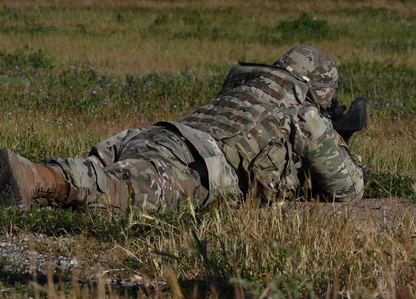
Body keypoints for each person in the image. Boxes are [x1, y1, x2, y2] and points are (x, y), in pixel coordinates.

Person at [0, 45, 365, 214]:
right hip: (196, 163)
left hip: (155, 136)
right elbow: (345, 190)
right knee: (113, 190)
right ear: (319, 91)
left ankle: (31, 176)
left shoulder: (248, 90)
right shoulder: (304, 115)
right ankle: (32, 174)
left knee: (98, 179)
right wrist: (336, 142)